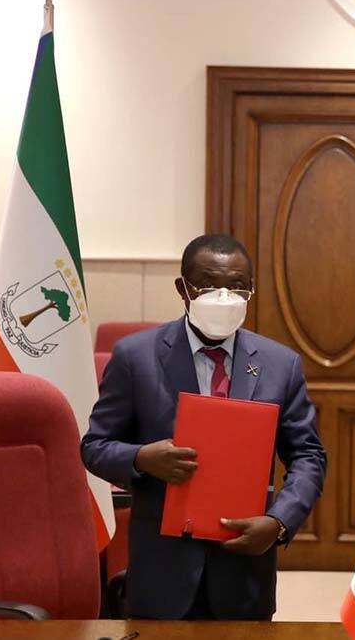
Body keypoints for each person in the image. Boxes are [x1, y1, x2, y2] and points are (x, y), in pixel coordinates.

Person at [82, 234, 326, 620]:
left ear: (251, 291)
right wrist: (142, 458)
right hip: (163, 569)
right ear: (183, 289)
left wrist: (280, 522)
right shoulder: (136, 357)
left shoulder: (281, 365)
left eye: (237, 287)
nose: (224, 297)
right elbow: (95, 446)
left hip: (245, 571)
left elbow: (309, 456)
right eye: (209, 286)